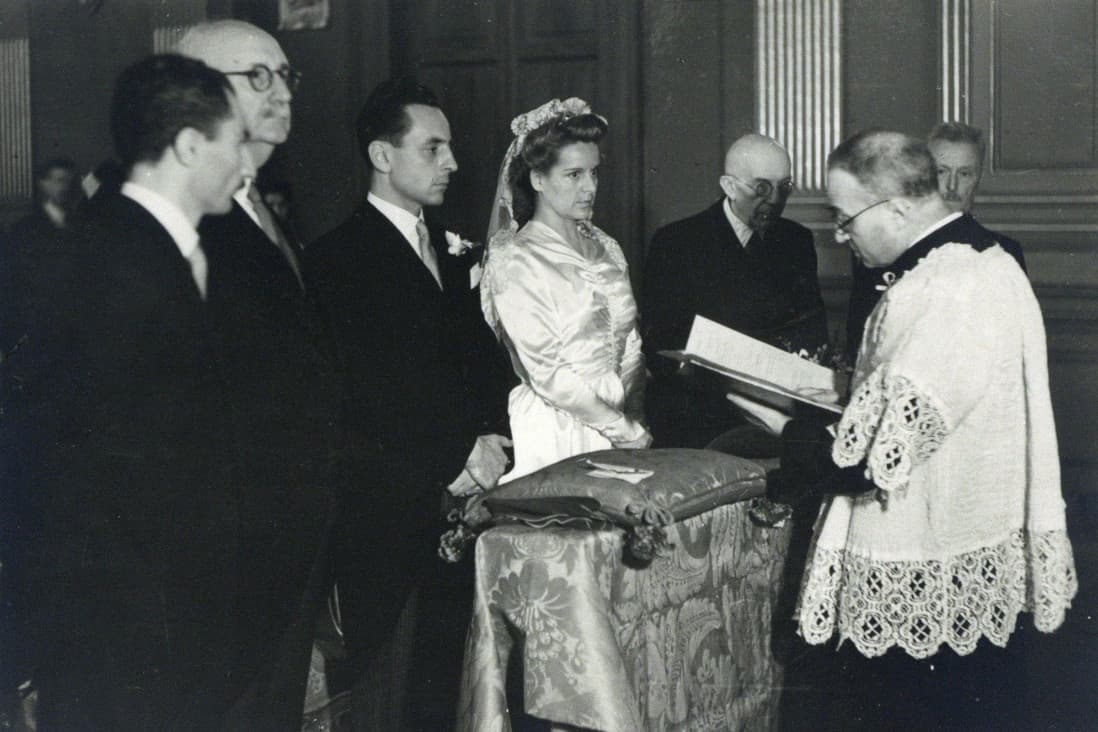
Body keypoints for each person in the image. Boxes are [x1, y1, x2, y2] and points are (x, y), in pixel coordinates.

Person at [732, 130, 1077, 730]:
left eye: (845, 218)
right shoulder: (982, 263)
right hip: (961, 547)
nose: (841, 236)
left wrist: (779, 427)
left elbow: (871, 461)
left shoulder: (946, 287)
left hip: (923, 554)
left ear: (895, 207)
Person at [32, 53, 255, 729]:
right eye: (236, 140)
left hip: (157, 622)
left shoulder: (149, 248)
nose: (246, 165)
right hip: (130, 633)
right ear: (191, 146)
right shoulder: (114, 261)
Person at [304, 77, 511, 731]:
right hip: (389, 524)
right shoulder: (334, 261)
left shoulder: (457, 255)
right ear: (381, 155)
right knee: (385, 705)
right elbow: (358, 395)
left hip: (469, 513)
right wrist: (456, 456)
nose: (452, 162)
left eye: (449, 148)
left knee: (448, 695)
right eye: (433, 148)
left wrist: (494, 445)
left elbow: (486, 368)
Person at [177, 20, 343, 729]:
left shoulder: (260, 203)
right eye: (258, 77)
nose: (281, 94)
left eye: (286, 77)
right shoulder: (182, 220)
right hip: (226, 548)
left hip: (289, 528)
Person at [481, 97, 650, 480]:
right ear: (538, 179)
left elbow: (630, 341)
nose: (589, 187)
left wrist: (633, 414)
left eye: (594, 173)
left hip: (619, 423)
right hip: (557, 427)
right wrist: (621, 428)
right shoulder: (516, 259)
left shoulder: (606, 247)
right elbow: (548, 373)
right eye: (574, 175)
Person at [642, 133, 828, 449]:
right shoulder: (676, 244)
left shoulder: (797, 241)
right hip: (702, 421)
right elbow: (660, 348)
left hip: (778, 418)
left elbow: (812, 327)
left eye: (784, 188)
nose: (775, 201)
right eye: (761, 188)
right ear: (729, 186)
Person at [0, 157, 83, 707]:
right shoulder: (22, 235)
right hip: (30, 374)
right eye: (50, 176)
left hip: (63, 378)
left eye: (64, 176)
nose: (59, 184)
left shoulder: (82, 227)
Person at [844, 122, 1026, 363]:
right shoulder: (882, 247)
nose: (951, 186)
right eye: (941, 171)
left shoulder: (1001, 253)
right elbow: (858, 343)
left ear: (978, 178)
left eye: (964, 174)